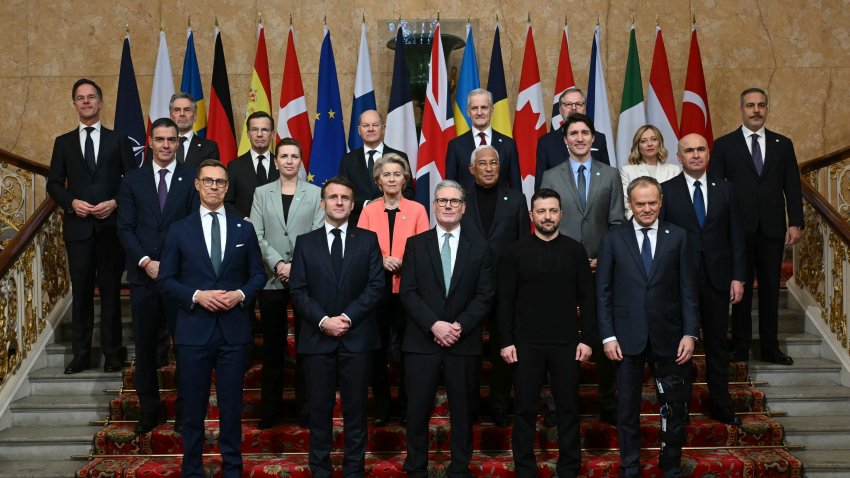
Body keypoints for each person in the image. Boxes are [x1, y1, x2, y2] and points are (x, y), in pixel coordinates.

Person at [157, 159, 267, 478]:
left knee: (231, 411)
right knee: (192, 411)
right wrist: (196, 295)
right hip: (193, 333)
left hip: (234, 333)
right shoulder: (179, 230)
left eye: (220, 182)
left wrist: (240, 295)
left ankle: (232, 469)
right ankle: (192, 470)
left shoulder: (243, 228)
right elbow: (166, 279)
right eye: (208, 181)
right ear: (197, 185)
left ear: (227, 187)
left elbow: (257, 276)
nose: (214, 187)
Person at [597, 176, 700, 478]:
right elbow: (603, 291)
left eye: (652, 203)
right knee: (627, 410)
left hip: (670, 337)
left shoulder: (678, 236)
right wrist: (607, 335)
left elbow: (688, 290)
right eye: (640, 204)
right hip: (625, 339)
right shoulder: (613, 238)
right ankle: (630, 466)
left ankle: (670, 465)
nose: (646, 209)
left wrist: (690, 333)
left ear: (661, 202)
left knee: (674, 407)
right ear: (629, 204)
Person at [289, 176, 385, 478]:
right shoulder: (305, 242)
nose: (339, 202)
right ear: (323, 203)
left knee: (356, 412)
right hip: (317, 340)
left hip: (357, 339)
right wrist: (323, 321)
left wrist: (346, 319)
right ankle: (320, 470)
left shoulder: (368, 240)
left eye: (345, 197)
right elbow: (298, 290)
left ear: (353, 204)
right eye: (333, 197)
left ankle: (353, 470)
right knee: (319, 412)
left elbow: (375, 286)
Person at [498, 188, 595, 478]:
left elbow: (588, 299)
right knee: (525, 410)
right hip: (526, 344)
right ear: (531, 215)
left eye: (553, 211)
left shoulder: (576, 251)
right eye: (541, 211)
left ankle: (569, 467)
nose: (547, 216)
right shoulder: (514, 252)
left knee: (568, 408)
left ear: (561, 214)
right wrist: (506, 341)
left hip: (567, 343)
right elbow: (505, 301)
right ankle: (524, 469)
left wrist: (588, 338)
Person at [399, 180, 494, 477]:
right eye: (442, 201)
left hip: (463, 342)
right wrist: (434, 325)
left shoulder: (479, 247)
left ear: (464, 208)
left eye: (454, 201)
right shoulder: (416, 244)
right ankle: (416, 467)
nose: (448, 206)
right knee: (416, 412)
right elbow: (408, 293)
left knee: (463, 412)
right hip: (421, 342)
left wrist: (458, 326)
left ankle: (459, 468)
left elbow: (485, 295)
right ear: (434, 206)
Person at [709, 87, 804, 365]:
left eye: (761, 105)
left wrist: (795, 222)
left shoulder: (782, 144)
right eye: (750, 105)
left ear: (767, 109)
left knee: (771, 290)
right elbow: (716, 189)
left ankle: (770, 347)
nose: (756, 110)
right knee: (739, 289)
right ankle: (740, 347)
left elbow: (793, 186)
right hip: (737, 231)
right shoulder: (725, 145)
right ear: (741, 109)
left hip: (773, 230)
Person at [539, 112, 623, 424]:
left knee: (601, 333)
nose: (579, 138)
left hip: (602, 267)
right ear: (565, 139)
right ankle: (560, 402)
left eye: (584, 133)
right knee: (560, 335)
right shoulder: (551, 175)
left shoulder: (610, 175)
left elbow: (616, 221)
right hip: (562, 266)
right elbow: (548, 219)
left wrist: (606, 256)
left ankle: (607, 401)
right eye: (573, 133)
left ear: (593, 138)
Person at [47, 78, 134, 374]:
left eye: (91, 97)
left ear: (100, 102)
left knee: (110, 293)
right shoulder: (63, 142)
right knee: (81, 294)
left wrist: (114, 202)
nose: (86, 102)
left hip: (110, 228)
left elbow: (132, 182)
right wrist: (72, 203)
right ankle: (81, 355)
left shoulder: (118, 140)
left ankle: (112, 354)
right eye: (80, 98)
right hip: (78, 229)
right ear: (74, 104)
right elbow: (54, 184)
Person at [117, 117, 198, 434]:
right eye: (160, 139)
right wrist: (146, 261)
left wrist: (172, 265)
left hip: (180, 279)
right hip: (143, 277)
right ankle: (149, 411)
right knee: (147, 350)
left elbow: (194, 225)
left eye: (172, 140)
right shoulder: (132, 180)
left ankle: (183, 412)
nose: (166, 145)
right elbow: (125, 228)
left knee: (185, 349)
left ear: (178, 143)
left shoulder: (191, 177)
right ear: (150, 141)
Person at [660, 133, 746, 426]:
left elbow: (736, 236)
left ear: (708, 154)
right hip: (679, 282)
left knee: (717, 345)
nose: (695, 155)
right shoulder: (666, 191)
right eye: (689, 151)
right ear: (679, 156)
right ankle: (678, 406)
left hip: (718, 280)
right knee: (679, 347)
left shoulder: (726, 190)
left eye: (700, 150)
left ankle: (720, 404)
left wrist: (738, 277)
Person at [249, 137, 324, 430]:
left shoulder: (316, 192)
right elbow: (255, 233)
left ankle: (306, 413)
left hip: (305, 280)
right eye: (284, 156)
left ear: (300, 160)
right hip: (271, 279)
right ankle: (270, 412)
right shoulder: (261, 193)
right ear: (276, 161)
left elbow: (319, 232)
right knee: (272, 349)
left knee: (307, 348)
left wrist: (296, 267)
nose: (289, 160)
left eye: (295, 155)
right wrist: (279, 263)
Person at [357, 153, 429, 426]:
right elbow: (361, 248)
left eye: (397, 174)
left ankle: (408, 408)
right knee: (378, 351)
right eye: (386, 174)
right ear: (378, 180)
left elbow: (424, 249)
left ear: (405, 179)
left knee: (407, 352)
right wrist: (381, 259)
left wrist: (402, 263)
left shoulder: (418, 210)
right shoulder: (368, 210)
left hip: (408, 291)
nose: (391, 178)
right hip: (376, 291)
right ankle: (383, 407)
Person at [460, 144, 529, 427]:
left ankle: (500, 405)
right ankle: (471, 406)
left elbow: (524, 242)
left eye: (494, 164)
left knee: (504, 349)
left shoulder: (515, 199)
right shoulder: (460, 199)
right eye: (483, 164)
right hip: (469, 286)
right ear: (472, 169)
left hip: (506, 286)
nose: (489, 168)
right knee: (469, 350)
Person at [338, 109, 415, 225]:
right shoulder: (347, 160)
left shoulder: (399, 157)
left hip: (395, 220)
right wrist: (367, 204)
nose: (370, 129)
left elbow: (409, 192)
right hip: (358, 222)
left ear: (383, 128)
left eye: (375, 125)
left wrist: (385, 203)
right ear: (359, 130)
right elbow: (343, 193)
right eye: (365, 125)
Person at [445, 88, 521, 191]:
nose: (479, 112)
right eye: (474, 108)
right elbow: (450, 187)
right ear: (468, 112)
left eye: (484, 107)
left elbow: (515, 187)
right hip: (468, 205)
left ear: (492, 110)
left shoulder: (508, 144)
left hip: (501, 206)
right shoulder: (455, 145)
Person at [536, 87, 611, 190]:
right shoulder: (546, 142)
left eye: (578, 104)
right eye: (568, 104)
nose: (574, 108)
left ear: (585, 108)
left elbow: (607, 179)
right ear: (560, 110)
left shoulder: (599, 138)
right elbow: (541, 186)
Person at [144, 92, 219, 170]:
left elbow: (212, 178)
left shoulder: (209, 147)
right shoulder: (157, 144)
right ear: (170, 116)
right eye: (177, 110)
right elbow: (147, 174)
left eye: (187, 110)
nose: (182, 114)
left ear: (195, 116)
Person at [225, 111, 279, 218]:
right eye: (254, 130)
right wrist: (244, 220)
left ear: (272, 134)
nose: (259, 134)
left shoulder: (283, 165)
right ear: (248, 134)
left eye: (264, 130)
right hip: (245, 229)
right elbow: (227, 202)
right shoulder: (234, 166)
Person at [620, 125, 680, 217]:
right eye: (643, 141)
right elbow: (626, 204)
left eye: (653, 139)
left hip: (669, 223)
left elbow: (676, 202)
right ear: (638, 146)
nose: (649, 144)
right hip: (638, 222)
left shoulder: (674, 170)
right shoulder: (627, 171)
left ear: (659, 143)